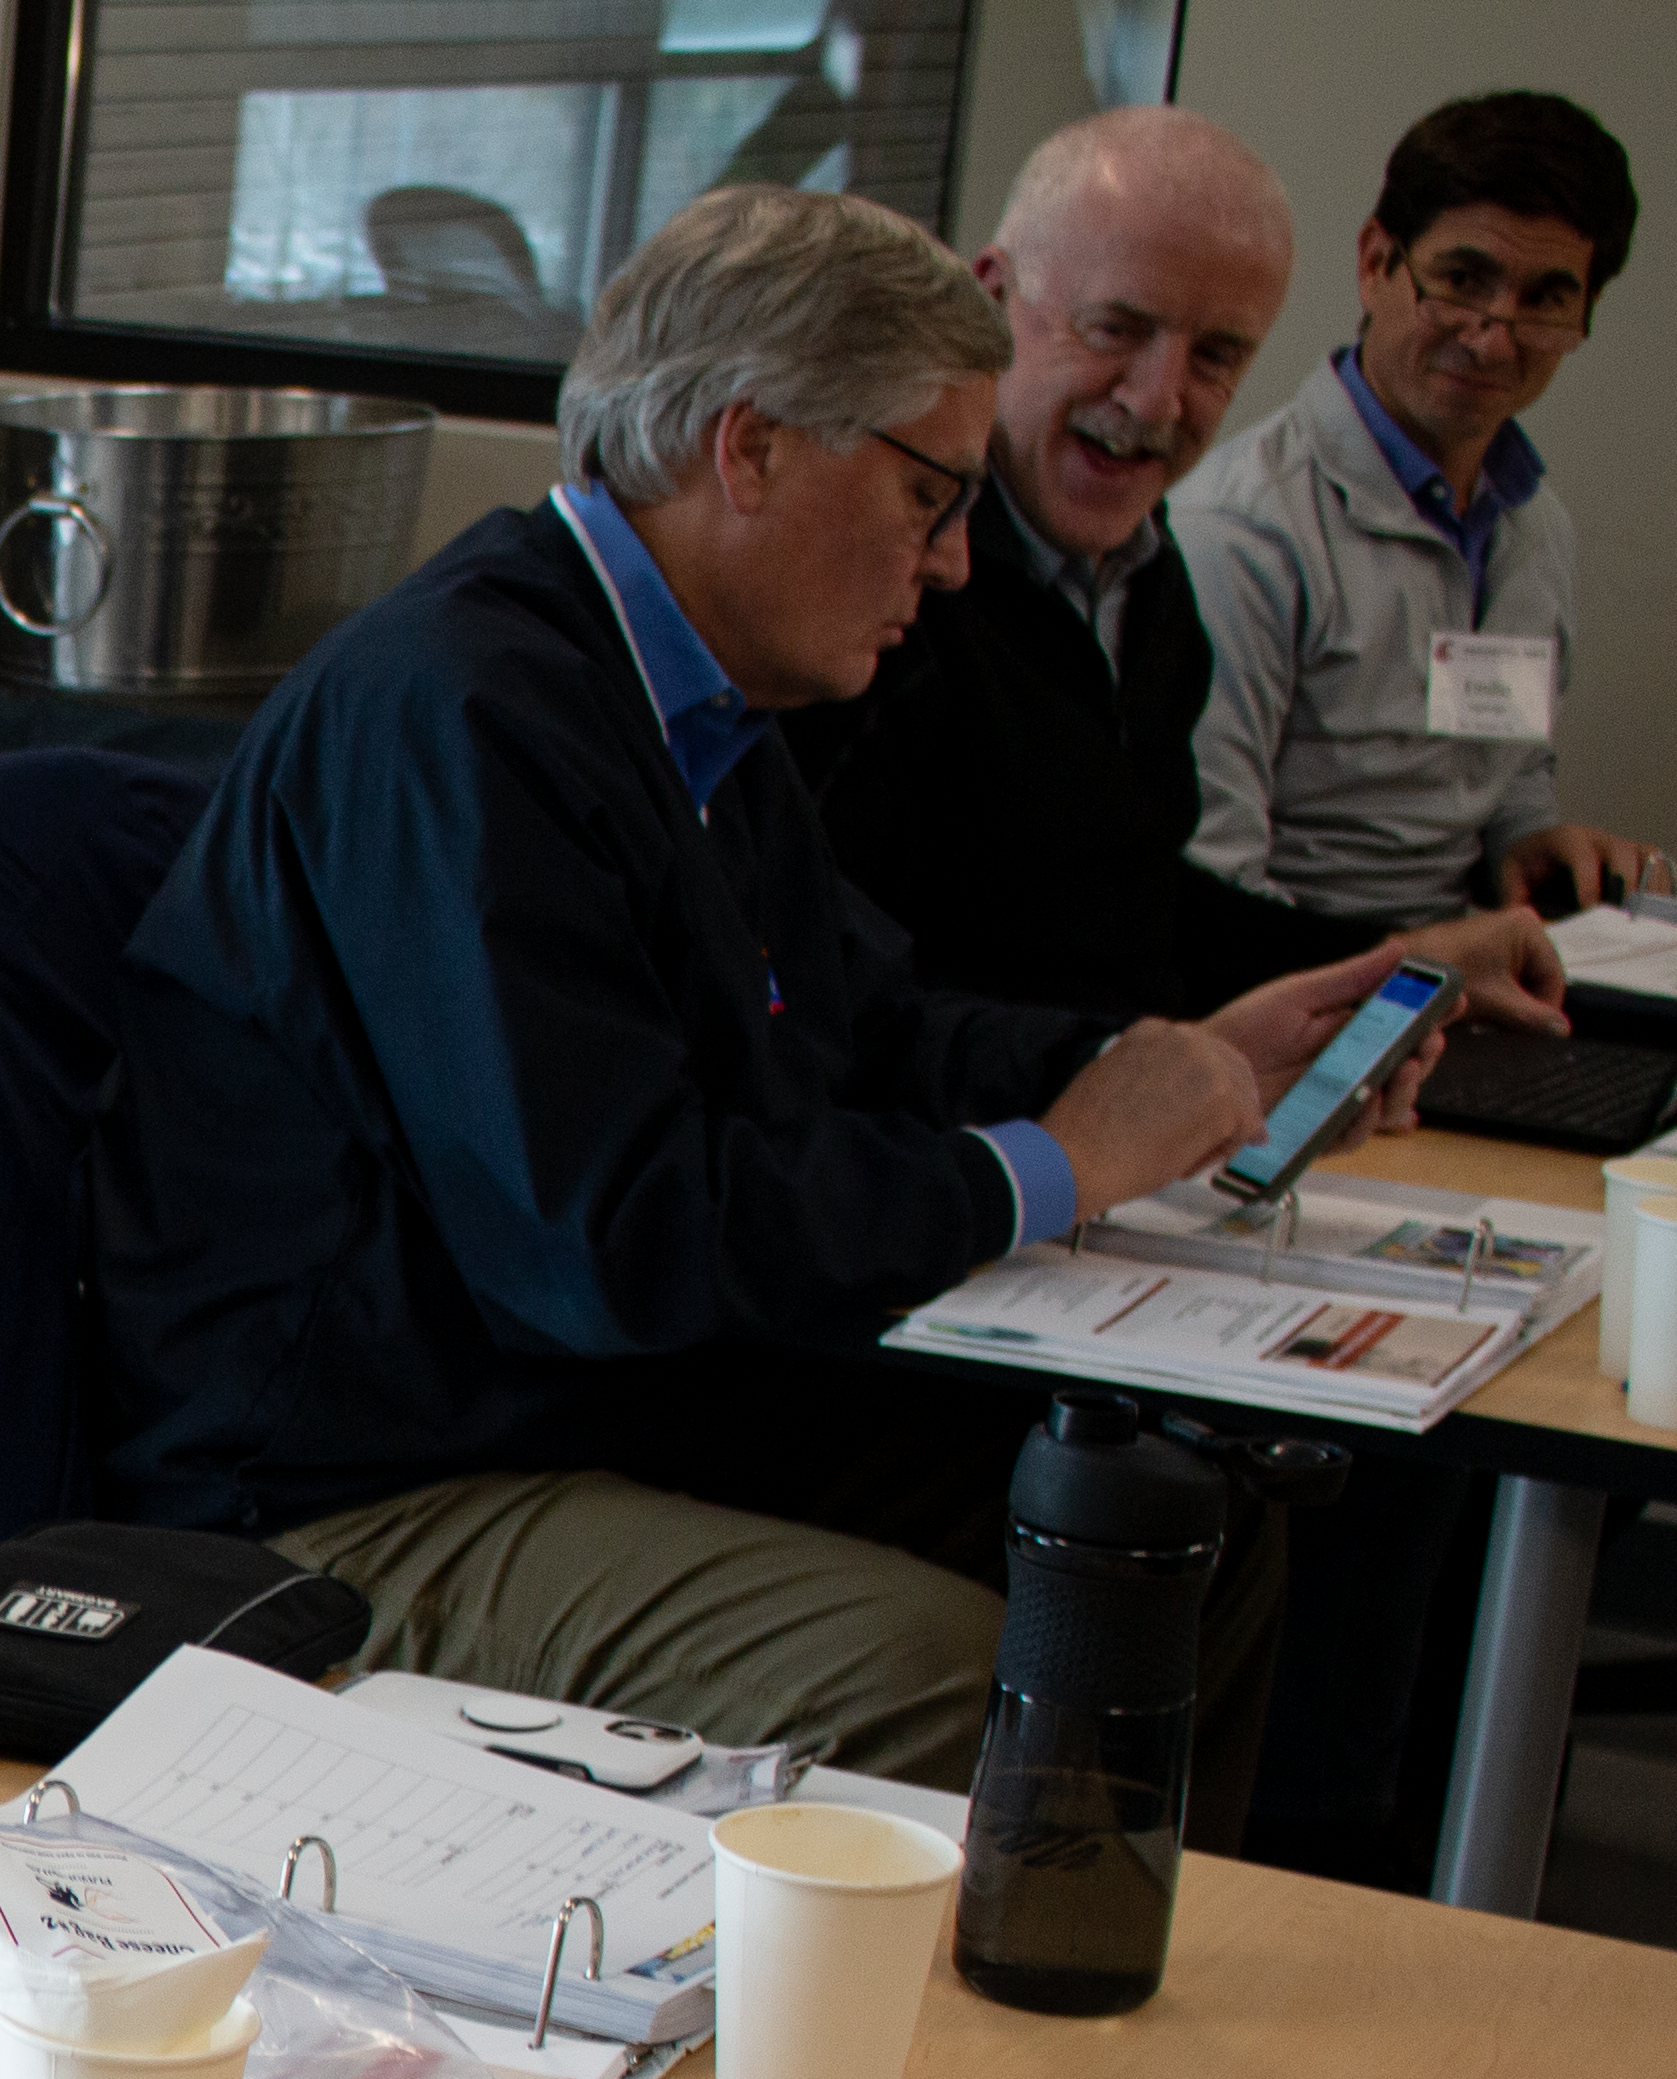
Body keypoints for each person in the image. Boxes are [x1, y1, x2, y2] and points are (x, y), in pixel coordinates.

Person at [96, 183, 1395, 1793]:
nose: (957, 560)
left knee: (1171, 1524)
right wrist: (1052, 1170)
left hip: (601, 1404)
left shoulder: (692, 703)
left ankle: (1101, 1998)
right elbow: (612, 1237)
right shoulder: (468, 707)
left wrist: (1163, 1065)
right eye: (930, 495)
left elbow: (873, 1030)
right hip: (361, 1481)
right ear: (751, 445)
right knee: (958, 1677)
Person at [800, 107, 1565, 1031]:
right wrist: (1133, 1081)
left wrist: (1400, 970)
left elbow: (1144, 920)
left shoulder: (1148, 584)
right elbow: (832, 1000)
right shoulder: (876, 592)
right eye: (1117, 329)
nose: (1158, 401)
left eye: (1217, 356)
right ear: (990, 298)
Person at [1183, 91, 1653, 931]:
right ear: (1375, 261)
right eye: (1463, 280)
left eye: (1545, 297)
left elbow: (1509, 775)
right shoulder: (1242, 530)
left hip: (1458, 985)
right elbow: (1213, 897)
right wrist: (1432, 974)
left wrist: (1532, 842)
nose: (1493, 337)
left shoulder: (1534, 528)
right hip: (1294, 999)